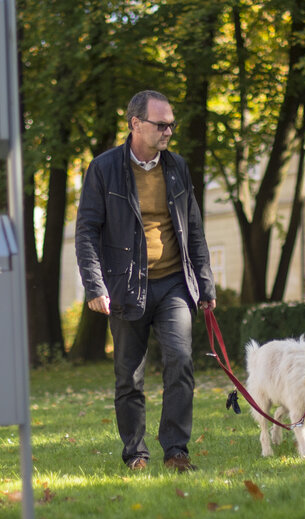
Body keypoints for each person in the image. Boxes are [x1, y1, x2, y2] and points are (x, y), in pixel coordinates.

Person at [75, 90, 217, 472]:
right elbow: (86, 230)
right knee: (129, 377)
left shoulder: (177, 167)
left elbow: (194, 228)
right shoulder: (104, 169)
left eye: (172, 123)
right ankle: (135, 453)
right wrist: (95, 286)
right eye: (161, 124)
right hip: (125, 286)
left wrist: (204, 284)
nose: (169, 130)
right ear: (135, 124)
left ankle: (176, 450)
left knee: (180, 361)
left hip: (173, 283)